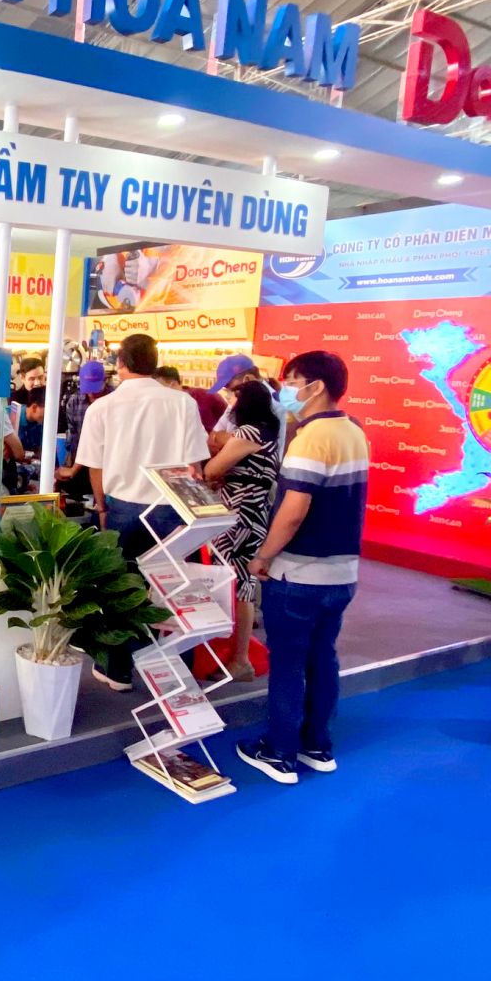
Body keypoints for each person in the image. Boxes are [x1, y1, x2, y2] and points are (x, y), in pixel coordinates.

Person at [238, 352, 368, 785]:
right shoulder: (354, 431)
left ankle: (280, 752)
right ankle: (317, 744)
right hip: (342, 573)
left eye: (292, 381)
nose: (285, 390)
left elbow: (293, 512)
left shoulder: (311, 439)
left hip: (299, 574)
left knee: (289, 662)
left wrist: (263, 556)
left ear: (317, 386)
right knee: (323, 656)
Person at [76, 333, 209, 690]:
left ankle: (117, 669)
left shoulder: (102, 407)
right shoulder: (182, 403)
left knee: (120, 588)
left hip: (122, 507)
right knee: (176, 591)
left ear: (120, 363)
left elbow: (95, 466)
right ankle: (178, 676)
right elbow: (194, 465)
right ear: (154, 362)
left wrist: (101, 506)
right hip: (172, 508)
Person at [203, 378, 282, 683]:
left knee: (234, 584)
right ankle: (239, 656)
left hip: (238, 515)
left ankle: (238, 658)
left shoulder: (249, 432)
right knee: (243, 583)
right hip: (254, 513)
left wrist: (219, 452)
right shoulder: (269, 433)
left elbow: (212, 469)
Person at [56, 362, 106, 502]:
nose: (91, 393)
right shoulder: (74, 402)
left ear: (105, 380)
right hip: (81, 463)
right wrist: (70, 467)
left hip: (108, 467)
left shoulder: (115, 400)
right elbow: (74, 439)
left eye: (95, 389)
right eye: (88, 388)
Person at [155, 366, 227, 432]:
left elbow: (230, 420)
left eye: (159, 389)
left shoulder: (207, 396)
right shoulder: (162, 407)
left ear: (174, 384)